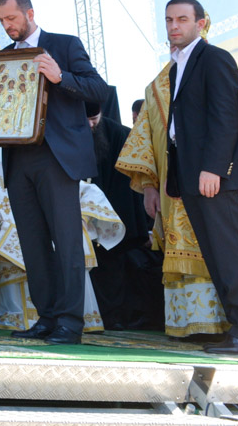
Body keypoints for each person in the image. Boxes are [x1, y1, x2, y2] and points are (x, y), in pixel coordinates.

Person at [0, 0, 109, 345]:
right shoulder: (2, 58)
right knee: (32, 244)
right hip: (19, 159)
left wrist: (61, 76)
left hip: (58, 159)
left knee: (66, 242)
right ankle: (46, 317)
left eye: (11, 18)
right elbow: (0, 109)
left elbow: (99, 90)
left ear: (29, 13)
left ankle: (70, 322)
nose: (7, 25)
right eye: (1, 20)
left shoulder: (64, 45)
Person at [159, 0, 238, 353]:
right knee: (216, 255)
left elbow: (226, 118)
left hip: (212, 173)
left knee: (230, 252)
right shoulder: (176, 66)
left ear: (201, 23)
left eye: (182, 19)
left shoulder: (215, 58)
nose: (174, 26)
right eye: (169, 20)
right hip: (190, 172)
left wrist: (214, 168)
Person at [87, 87, 162, 331]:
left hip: (115, 216)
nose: (90, 125)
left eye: (93, 119)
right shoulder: (74, 131)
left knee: (114, 268)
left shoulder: (120, 134)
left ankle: (115, 317)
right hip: (90, 215)